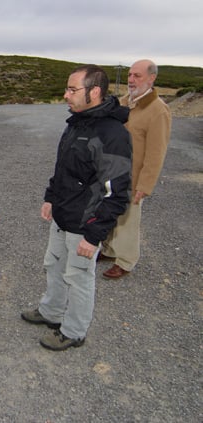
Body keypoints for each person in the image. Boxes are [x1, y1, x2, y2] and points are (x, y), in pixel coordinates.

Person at [21, 65, 132, 351]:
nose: (65, 95)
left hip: (85, 223)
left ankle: (73, 331)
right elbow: (63, 169)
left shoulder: (113, 133)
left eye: (72, 90)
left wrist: (94, 235)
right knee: (54, 267)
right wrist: (50, 197)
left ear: (94, 92)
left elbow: (117, 193)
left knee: (79, 278)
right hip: (62, 215)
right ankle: (51, 312)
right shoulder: (76, 123)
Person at [100, 59, 172, 279]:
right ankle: (110, 250)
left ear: (152, 78)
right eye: (130, 75)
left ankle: (126, 261)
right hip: (112, 172)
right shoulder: (123, 102)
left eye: (137, 76)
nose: (131, 80)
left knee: (129, 219)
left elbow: (156, 152)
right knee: (110, 212)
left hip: (133, 177)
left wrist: (145, 185)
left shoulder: (158, 110)